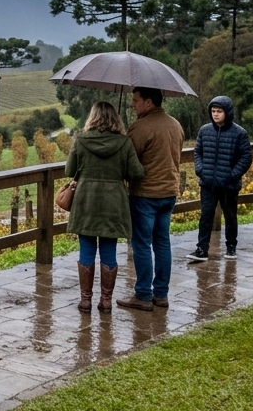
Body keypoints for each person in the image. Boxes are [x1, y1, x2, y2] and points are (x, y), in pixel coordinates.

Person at [65, 101, 143, 312]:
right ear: (115, 119)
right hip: (114, 203)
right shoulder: (124, 143)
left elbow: (69, 169)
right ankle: (106, 301)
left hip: (86, 202)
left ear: (92, 117)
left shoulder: (81, 141)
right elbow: (136, 172)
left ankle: (85, 300)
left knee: (87, 249)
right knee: (109, 251)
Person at [117, 87, 185, 311]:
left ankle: (143, 294)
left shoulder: (141, 127)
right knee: (162, 242)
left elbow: (129, 160)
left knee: (142, 244)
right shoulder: (176, 125)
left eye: (136, 101)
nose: (133, 105)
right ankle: (161, 294)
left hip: (145, 193)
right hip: (169, 192)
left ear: (148, 102)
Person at [188, 96, 253, 263]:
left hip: (229, 185)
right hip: (208, 183)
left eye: (219, 111)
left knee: (230, 216)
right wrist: (201, 170)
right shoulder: (204, 130)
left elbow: (246, 157)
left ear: (227, 112)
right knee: (206, 215)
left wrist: (231, 175)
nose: (215, 114)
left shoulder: (240, 133)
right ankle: (202, 249)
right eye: (213, 111)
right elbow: (198, 152)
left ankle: (231, 246)